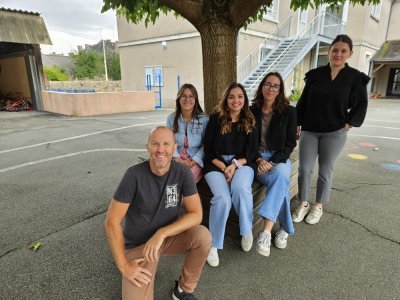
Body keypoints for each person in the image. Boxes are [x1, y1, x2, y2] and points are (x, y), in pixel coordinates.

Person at [104, 126, 211, 300]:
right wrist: (124, 266)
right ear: (148, 147)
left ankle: (183, 290)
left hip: (168, 237)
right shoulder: (133, 175)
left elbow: (196, 214)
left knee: (202, 236)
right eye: (155, 144)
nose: (161, 149)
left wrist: (162, 233)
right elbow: (111, 223)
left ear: (174, 148)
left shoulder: (183, 172)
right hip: (140, 244)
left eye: (166, 144)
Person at [294, 34, 370, 225]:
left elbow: (361, 104)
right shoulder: (315, 75)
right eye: (335, 50)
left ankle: (318, 206)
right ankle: (303, 202)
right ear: (329, 52)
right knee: (304, 168)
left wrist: (350, 123)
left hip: (334, 133)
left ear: (350, 53)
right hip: (310, 130)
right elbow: (303, 101)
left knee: (325, 171)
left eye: (343, 51)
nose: (338, 54)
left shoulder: (355, 78)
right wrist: (297, 122)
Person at [203, 82, 258, 267]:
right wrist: (223, 166)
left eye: (240, 96)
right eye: (232, 96)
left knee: (240, 188)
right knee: (222, 198)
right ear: (226, 100)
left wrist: (234, 165)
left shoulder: (250, 119)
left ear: (244, 100)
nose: (236, 100)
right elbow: (208, 150)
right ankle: (213, 244)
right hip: (215, 164)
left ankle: (246, 230)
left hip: (242, 164)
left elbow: (252, 152)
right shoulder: (215, 119)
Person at [250, 72, 297, 257]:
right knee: (282, 181)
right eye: (267, 84)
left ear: (280, 90)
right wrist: (259, 159)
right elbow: (246, 142)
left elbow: (290, 144)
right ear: (262, 87)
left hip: (279, 158)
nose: (270, 89)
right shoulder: (251, 110)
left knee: (281, 174)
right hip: (257, 159)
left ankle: (266, 232)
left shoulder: (289, 112)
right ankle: (286, 228)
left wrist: (273, 161)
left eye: (275, 86)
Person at [166, 83, 208, 183]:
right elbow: (168, 142)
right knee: (166, 177)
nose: (187, 99)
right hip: (175, 159)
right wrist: (176, 158)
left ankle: (184, 199)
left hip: (195, 160)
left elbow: (206, 145)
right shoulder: (171, 118)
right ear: (178, 99)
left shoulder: (204, 119)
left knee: (185, 179)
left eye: (191, 96)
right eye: (183, 96)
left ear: (195, 99)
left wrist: (193, 161)